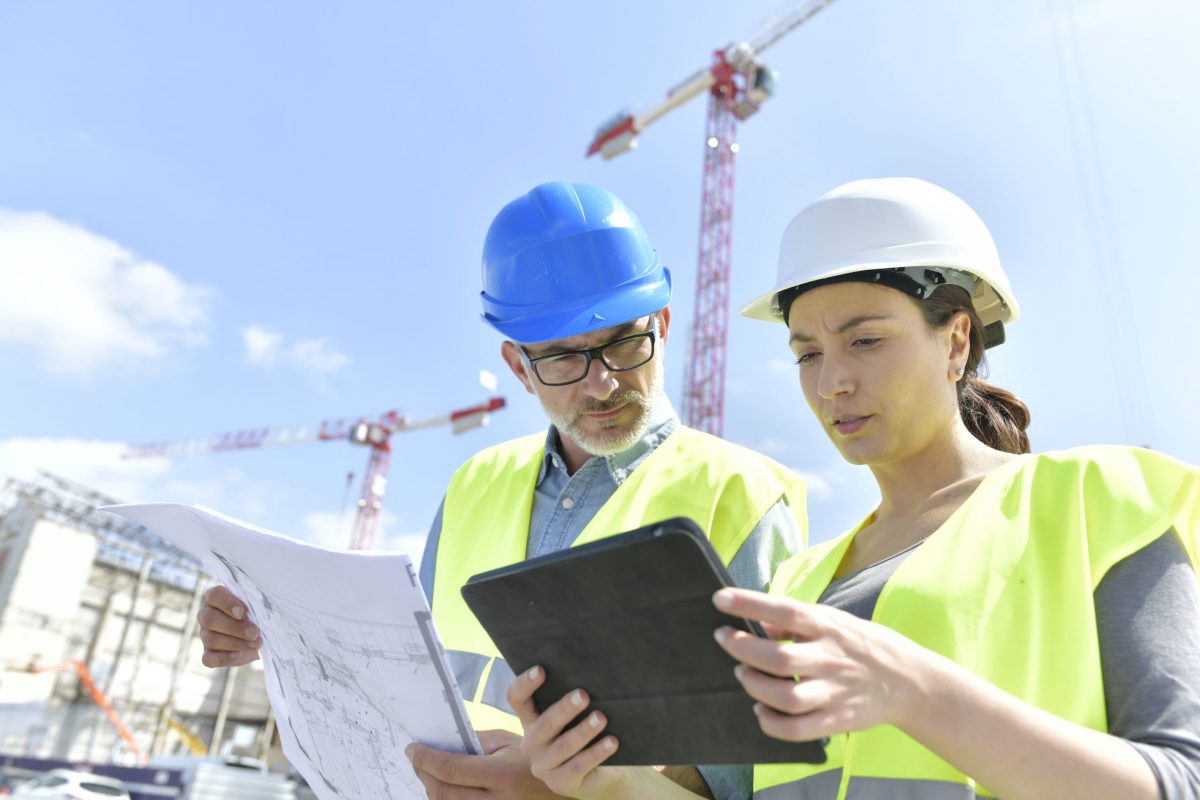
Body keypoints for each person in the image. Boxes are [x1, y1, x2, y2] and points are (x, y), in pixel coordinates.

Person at [507, 177, 1200, 800]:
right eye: (807, 352)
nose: (831, 381)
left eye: (864, 341)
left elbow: (1180, 781)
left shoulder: (1095, 499)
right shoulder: (795, 582)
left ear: (955, 341)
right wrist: (614, 785)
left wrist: (917, 692)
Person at [195, 181, 808, 799]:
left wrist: (578, 788)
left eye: (624, 344)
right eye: (563, 359)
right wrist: (277, 632)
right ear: (518, 367)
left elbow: (753, 780)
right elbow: (408, 679)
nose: (600, 385)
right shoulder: (476, 482)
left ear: (664, 326)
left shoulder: (747, 495)